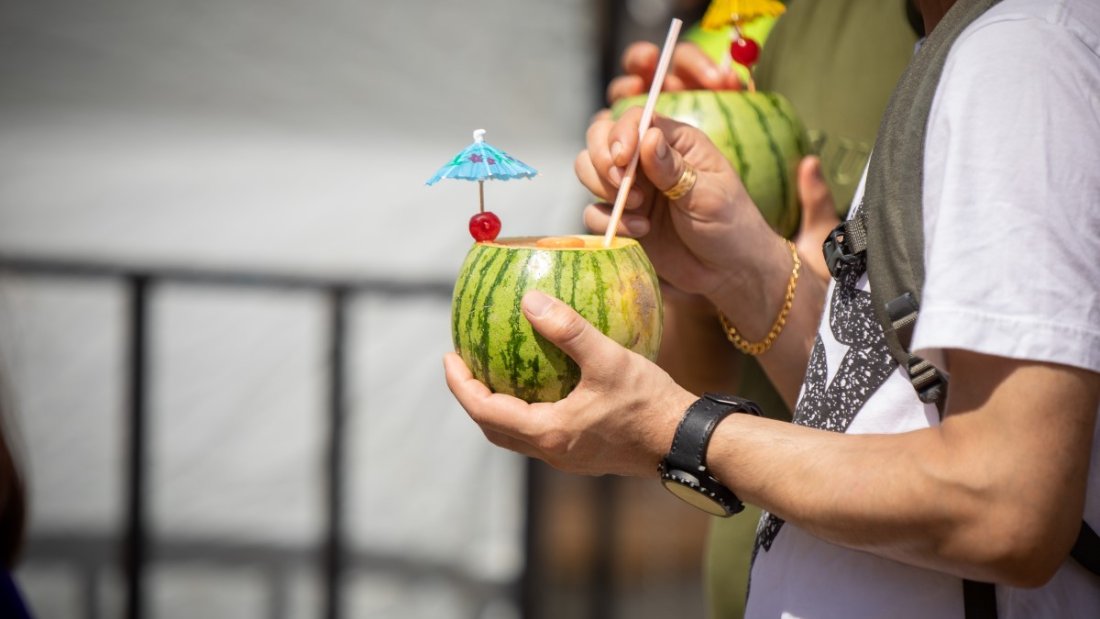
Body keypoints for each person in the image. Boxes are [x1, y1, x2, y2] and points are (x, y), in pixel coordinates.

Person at [446, 0, 1100, 617]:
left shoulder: (1020, 56)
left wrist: (678, 429)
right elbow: (890, 415)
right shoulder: (958, 43)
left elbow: (1007, 505)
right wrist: (746, 272)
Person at [608, 2, 921, 616]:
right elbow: (691, 373)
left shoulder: (991, 34)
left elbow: (1002, 495)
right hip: (748, 576)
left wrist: (677, 432)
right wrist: (687, 272)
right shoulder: (757, 20)